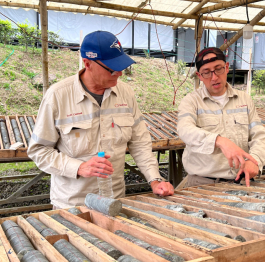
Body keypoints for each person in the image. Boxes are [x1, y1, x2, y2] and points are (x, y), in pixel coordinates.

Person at [28, 31, 174, 209]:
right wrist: (79, 168)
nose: (119, 73)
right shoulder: (58, 96)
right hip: (73, 205)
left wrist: (154, 179)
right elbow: (39, 151)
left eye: (122, 67)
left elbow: (140, 142)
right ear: (87, 63)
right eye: (112, 68)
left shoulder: (126, 93)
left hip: (114, 200)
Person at [177, 47, 265, 188]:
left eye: (218, 69)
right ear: (199, 76)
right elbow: (185, 130)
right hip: (202, 183)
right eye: (206, 73)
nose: (214, 77)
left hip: (241, 181)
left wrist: (255, 160)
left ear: (226, 67)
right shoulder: (191, 101)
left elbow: (259, 135)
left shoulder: (244, 99)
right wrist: (219, 141)